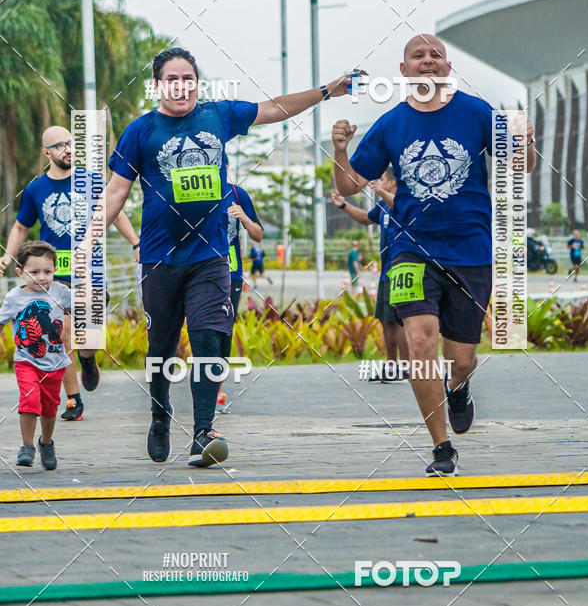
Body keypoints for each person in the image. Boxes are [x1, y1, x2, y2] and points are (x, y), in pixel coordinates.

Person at [85, 46, 350, 468]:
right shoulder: (141, 131)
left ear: (197, 83)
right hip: (159, 258)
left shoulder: (217, 115)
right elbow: (116, 191)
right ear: (157, 85)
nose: (181, 86)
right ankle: (159, 416)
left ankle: (204, 431)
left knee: (208, 338)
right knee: (162, 349)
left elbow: (274, 108)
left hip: (210, 256)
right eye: (172, 79)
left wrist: (325, 91)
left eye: (188, 78)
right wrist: (88, 241)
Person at [332, 33, 536, 475]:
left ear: (448, 68)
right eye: (417, 56)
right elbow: (349, 186)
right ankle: (441, 446)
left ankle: (458, 386)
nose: (428, 61)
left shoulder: (477, 112)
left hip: (470, 250)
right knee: (419, 340)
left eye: (436, 55)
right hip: (411, 249)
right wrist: (340, 150)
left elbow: (522, 164)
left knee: (461, 358)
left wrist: (527, 141)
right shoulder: (391, 123)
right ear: (404, 72)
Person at [0, 126, 139, 420]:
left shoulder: (91, 180)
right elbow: (21, 227)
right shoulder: (36, 188)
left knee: (86, 337)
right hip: (54, 275)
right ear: (46, 152)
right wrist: (8, 255)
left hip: (90, 272)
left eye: (70, 143)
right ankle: (74, 400)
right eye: (59, 145)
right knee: (61, 335)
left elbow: (116, 213)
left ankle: (88, 359)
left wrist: (136, 243)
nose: (67, 149)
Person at [332, 172, 410, 382]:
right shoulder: (383, 207)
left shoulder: (404, 200)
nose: (379, 182)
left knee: (401, 321)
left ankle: (406, 367)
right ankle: (391, 366)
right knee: (387, 321)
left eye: (383, 179)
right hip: (386, 272)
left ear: (393, 182)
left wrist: (381, 191)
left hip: (404, 269)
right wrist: (343, 205)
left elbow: (399, 205)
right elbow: (366, 218)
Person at [0, 241, 72, 469]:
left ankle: (46, 442)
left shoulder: (61, 291)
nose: (42, 277)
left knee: (50, 409)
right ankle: (27, 446)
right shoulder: (14, 297)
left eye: (47, 272)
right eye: (35, 272)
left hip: (55, 363)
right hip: (26, 361)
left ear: (55, 271)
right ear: (20, 273)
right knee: (30, 400)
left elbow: (84, 306)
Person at [217, 158, 263, 412]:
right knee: (202, 329)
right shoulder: (192, 190)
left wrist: (244, 217)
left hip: (230, 272)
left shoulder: (236, 193)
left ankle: (217, 390)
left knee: (224, 330)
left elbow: (258, 234)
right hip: (198, 270)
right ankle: (205, 383)